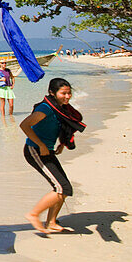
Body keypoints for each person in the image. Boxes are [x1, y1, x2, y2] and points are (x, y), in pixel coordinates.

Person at [20, 77, 82, 233]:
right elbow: (25, 125)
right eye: (63, 93)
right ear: (52, 93)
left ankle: (51, 222)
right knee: (63, 188)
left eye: (69, 93)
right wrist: (41, 145)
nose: (67, 96)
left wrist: (61, 144)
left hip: (46, 150)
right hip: (35, 150)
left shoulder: (60, 107)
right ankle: (33, 214)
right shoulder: (45, 108)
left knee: (63, 187)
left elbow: (60, 126)